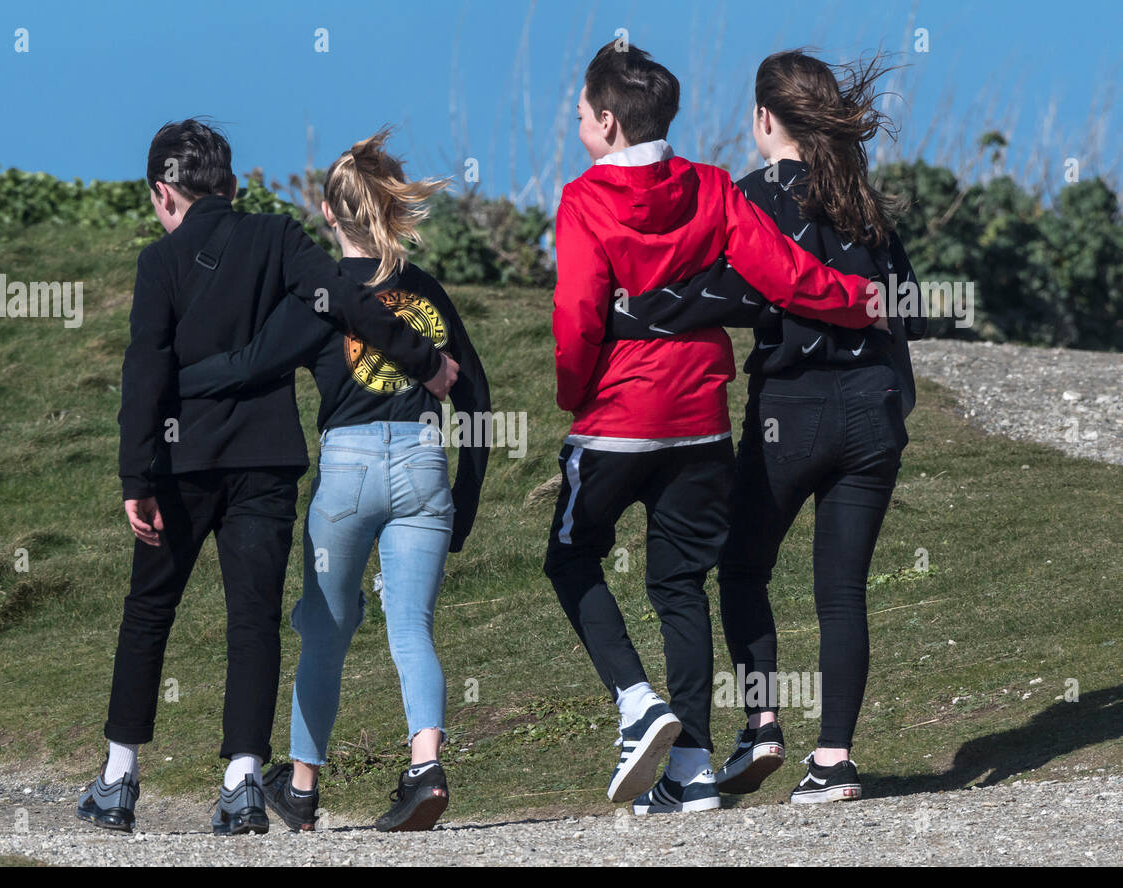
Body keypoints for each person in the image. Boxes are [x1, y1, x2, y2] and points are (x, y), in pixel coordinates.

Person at [77, 119, 458, 836]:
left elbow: (144, 370)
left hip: (180, 460)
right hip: (267, 462)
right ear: (228, 183)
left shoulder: (158, 262)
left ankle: (119, 780)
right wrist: (423, 359)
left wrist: (137, 475)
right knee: (251, 620)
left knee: (148, 612)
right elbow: (349, 302)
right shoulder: (279, 238)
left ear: (164, 192)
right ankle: (244, 784)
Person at [545, 41, 883, 816]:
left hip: (619, 413)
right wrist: (865, 301)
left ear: (605, 121)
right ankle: (692, 769)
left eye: (578, 116)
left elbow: (576, 315)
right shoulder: (711, 186)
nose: (576, 127)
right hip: (700, 417)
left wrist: (574, 391)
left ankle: (638, 704)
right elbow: (786, 278)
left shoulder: (583, 199)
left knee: (570, 558)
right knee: (679, 583)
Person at [177, 128, 490, 832]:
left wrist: (179, 377)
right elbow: (475, 395)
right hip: (423, 462)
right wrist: (464, 500)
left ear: (327, 213)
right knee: (411, 626)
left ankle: (304, 787)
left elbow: (250, 365)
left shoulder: (318, 297)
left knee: (324, 629)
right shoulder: (427, 292)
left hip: (346, 467)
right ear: (391, 206)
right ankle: (426, 767)